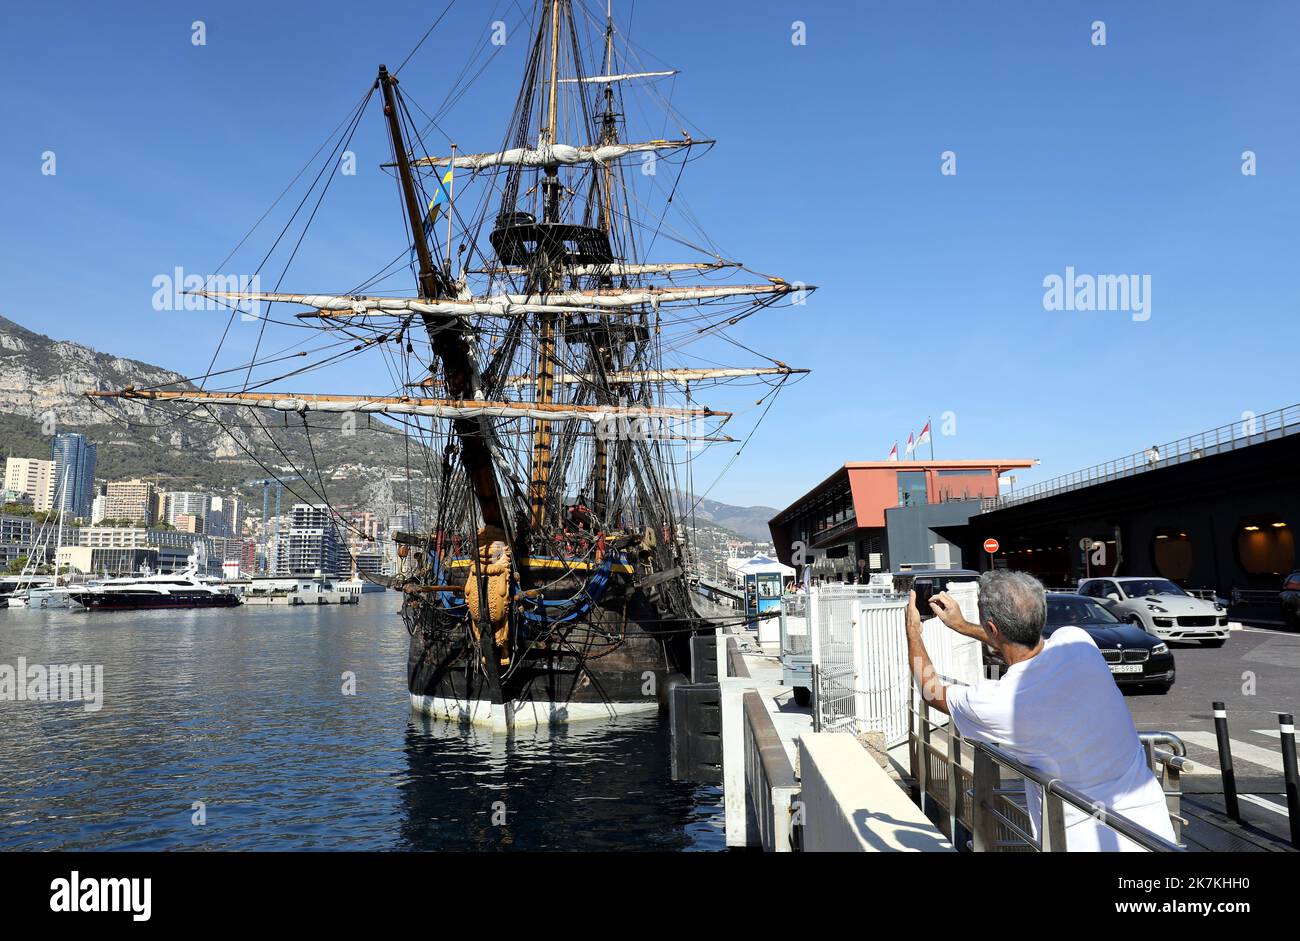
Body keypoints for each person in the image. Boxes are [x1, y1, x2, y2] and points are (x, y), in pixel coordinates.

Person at [904, 570, 1176, 851]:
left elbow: (931, 692)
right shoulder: (1080, 643)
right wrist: (962, 626)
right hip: (1153, 831)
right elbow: (1027, 643)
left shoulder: (1000, 701)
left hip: (1075, 840)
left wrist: (913, 632)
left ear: (992, 628)